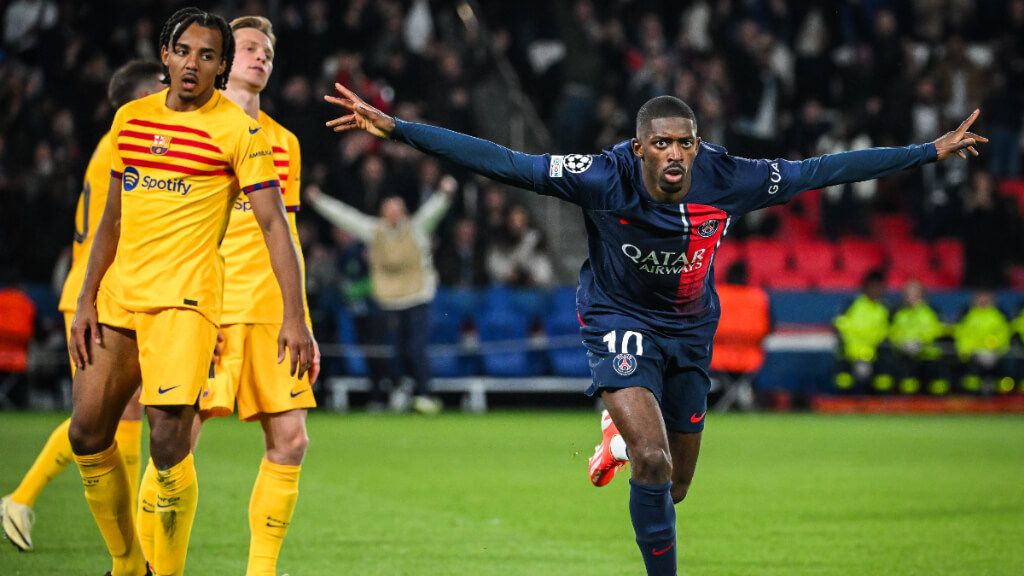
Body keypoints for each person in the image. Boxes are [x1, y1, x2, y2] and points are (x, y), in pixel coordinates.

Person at [323, 82, 985, 575]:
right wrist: (401, 128)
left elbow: (822, 171)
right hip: (618, 318)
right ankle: (632, 454)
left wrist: (929, 151)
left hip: (692, 332)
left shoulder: (730, 177)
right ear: (640, 148)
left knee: (677, 487)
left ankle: (617, 435)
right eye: (662, 143)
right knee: (654, 457)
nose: (675, 154)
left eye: (685, 142)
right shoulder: (602, 175)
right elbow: (505, 160)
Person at [67, 8, 314, 576]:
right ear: (165, 54)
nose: (193, 64)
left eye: (207, 56)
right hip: (121, 299)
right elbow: (111, 220)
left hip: (188, 304)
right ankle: (129, 563)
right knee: (86, 433)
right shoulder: (131, 119)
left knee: (168, 443)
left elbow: (278, 226)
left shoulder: (241, 133)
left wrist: (296, 317)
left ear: (220, 67)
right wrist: (85, 300)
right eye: (184, 51)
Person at [0, 60, 164, 554]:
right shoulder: (131, 139)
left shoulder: (116, 144)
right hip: (100, 292)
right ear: (136, 97)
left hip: (114, 288)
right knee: (105, 412)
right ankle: (22, 499)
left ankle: (28, 502)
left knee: (120, 409)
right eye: (158, 84)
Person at [177, 16, 317, 576]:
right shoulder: (194, 129)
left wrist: (299, 316)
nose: (262, 58)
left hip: (268, 315)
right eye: (251, 49)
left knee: (291, 441)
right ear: (224, 60)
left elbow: (288, 238)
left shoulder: (285, 143)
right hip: (206, 308)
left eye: (269, 52)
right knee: (174, 443)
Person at [307, 174, 456, 414]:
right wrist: (318, 201)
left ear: (404, 211)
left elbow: (433, 211)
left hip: (417, 296)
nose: (394, 214)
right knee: (393, 351)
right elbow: (346, 217)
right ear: (382, 212)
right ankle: (398, 391)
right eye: (389, 209)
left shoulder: (416, 229)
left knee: (416, 349)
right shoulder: (374, 231)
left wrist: (446, 193)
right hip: (389, 300)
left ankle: (425, 394)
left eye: (398, 209)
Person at [833, 270, 891, 394]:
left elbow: (889, 333)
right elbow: (839, 327)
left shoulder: (886, 309)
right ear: (865, 287)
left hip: (876, 355)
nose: (875, 290)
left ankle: (881, 407)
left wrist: (870, 353)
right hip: (851, 353)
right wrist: (857, 354)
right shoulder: (852, 305)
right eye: (872, 286)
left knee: (884, 377)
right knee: (843, 379)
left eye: (879, 287)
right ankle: (844, 407)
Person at [888, 280, 949, 395]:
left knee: (937, 385)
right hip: (905, 355)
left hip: (929, 356)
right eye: (907, 294)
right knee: (905, 382)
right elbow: (892, 333)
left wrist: (921, 343)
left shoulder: (931, 312)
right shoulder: (898, 313)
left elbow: (937, 332)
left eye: (914, 293)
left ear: (922, 295)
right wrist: (902, 344)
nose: (910, 297)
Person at [953, 290, 1013, 395]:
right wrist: (973, 351)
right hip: (972, 354)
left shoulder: (999, 316)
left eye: (986, 297)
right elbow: (961, 335)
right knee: (970, 378)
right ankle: (971, 394)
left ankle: (994, 392)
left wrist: (992, 349)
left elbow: (1004, 335)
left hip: (995, 354)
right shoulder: (968, 315)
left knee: (1002, 369)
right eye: (980, 297)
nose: (983, 300)